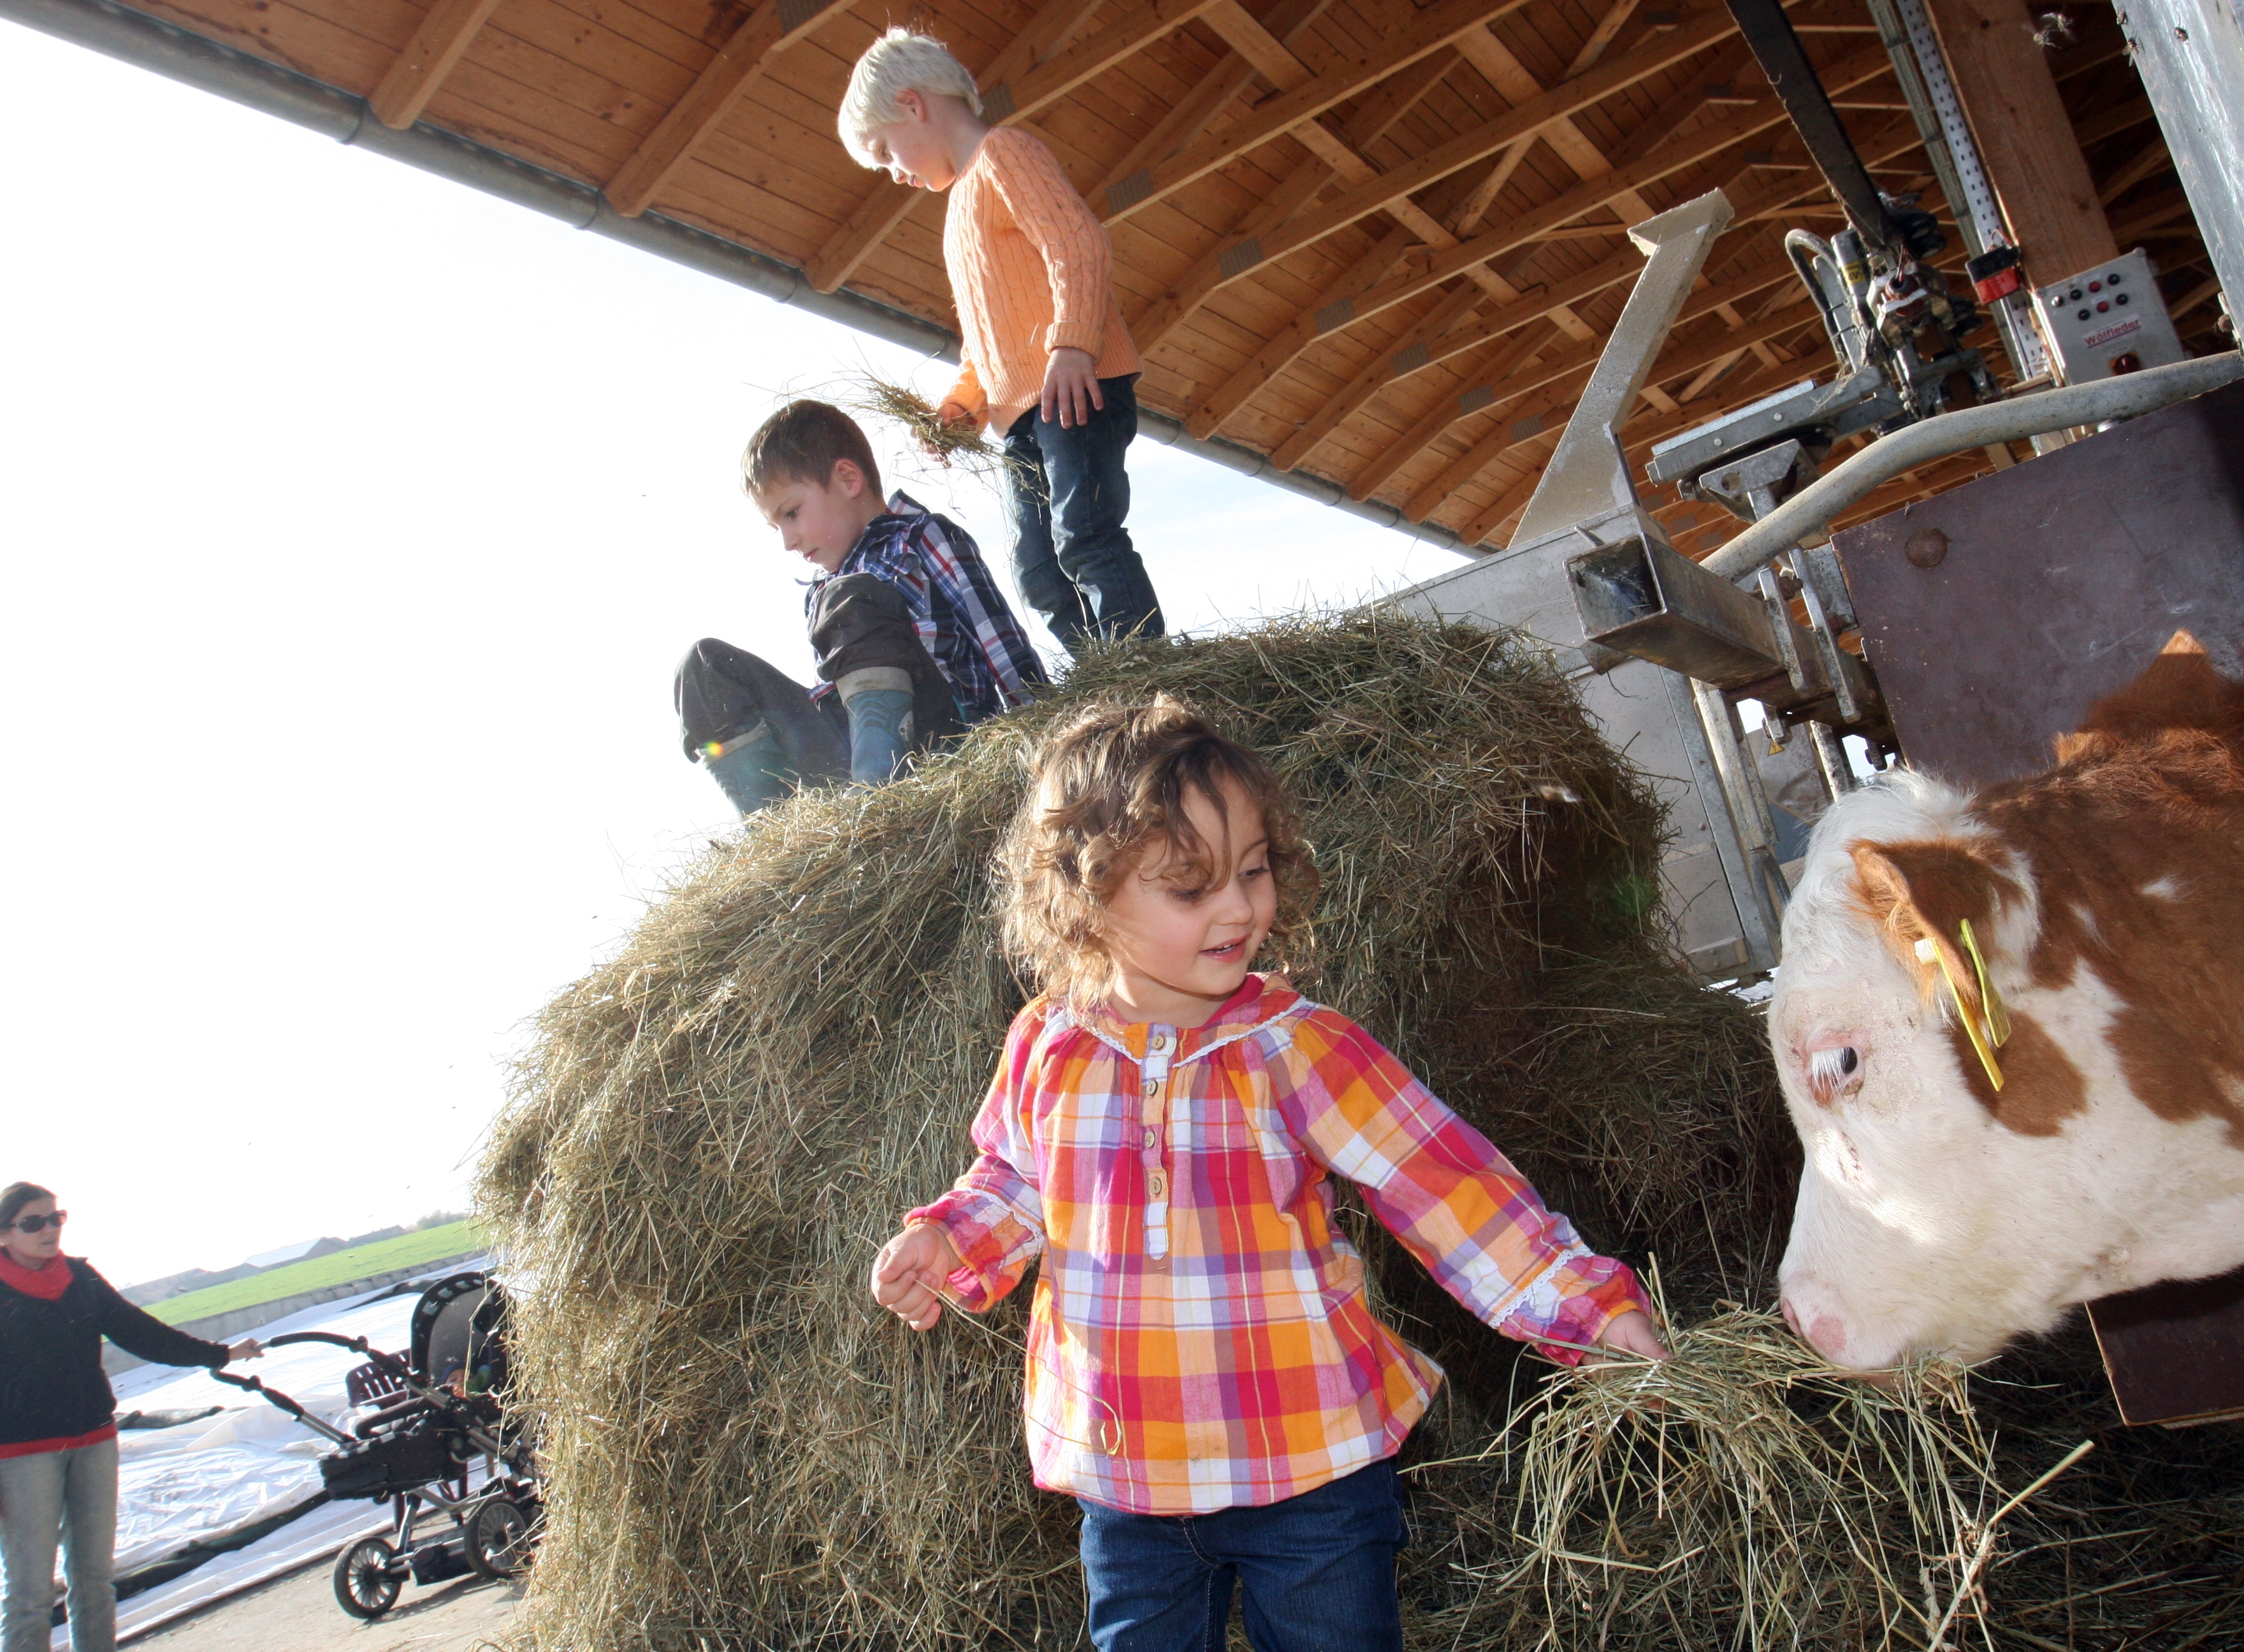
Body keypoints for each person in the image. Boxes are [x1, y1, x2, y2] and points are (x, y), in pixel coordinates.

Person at [868, 699, 1666, 1652]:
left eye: (1252, 872)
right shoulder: (1050, 1041)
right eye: (1190, 887)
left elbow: (1453, 1192)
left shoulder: (1298, 1048)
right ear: (1084, 897)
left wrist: (1590, 1314)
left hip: (1312, 1471)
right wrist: (947, 1237)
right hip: (1129, 1482)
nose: (1240, 909)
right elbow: (1016, 1181)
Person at [838, 30, 1166, 654]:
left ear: (913, 105)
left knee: (1086, 538)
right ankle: (1105, 679)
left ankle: (1146, 671)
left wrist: (1072, 345)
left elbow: (1078, 244)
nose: (895, 174)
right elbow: (987, 336)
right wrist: (965, 404)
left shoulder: (1004, 156)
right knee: (1039, 573)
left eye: (886, 153)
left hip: (1074, 386)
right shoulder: (958, 208)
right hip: (1020, 416)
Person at [676, 400, 1048, 816]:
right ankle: (778, 836)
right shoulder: (820, 592)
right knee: (704, 668)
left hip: (942, 737)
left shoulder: (921, 536)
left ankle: (878, 800)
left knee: (853, 596)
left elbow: (995, 634)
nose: (788, 541)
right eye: (776, 527)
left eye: (792, 514)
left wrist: (1043, 729)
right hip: (850, 750)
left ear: (848, 479)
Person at [0, 1184, 262, 1652]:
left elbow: (140, 1333)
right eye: (33, 1223)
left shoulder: (80, 1277)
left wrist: (220, 1353)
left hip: (95, 1442)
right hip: (22, 1456)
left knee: (96, 1579)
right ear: (4, 1235)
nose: (49, 1229)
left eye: (56, 1218)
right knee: (30, 1593)